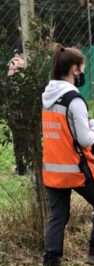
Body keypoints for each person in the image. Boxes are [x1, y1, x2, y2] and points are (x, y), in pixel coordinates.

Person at [42, 45, 94, 266]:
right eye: (82, 69)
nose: (82, 73)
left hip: (52, 168)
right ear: (75, 69)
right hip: (74, 169)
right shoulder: (74, 99)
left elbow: (66, 126)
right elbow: (86, 140)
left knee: (58, 216)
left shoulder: (48, 96)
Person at [7, 45, 28, 175]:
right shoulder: (23, 64)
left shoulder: (10, 63)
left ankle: (20, 168)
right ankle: (30, 164)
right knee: (27, 136)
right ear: (22, 53)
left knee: (17, 138)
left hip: (13, 107)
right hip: (25, 107)